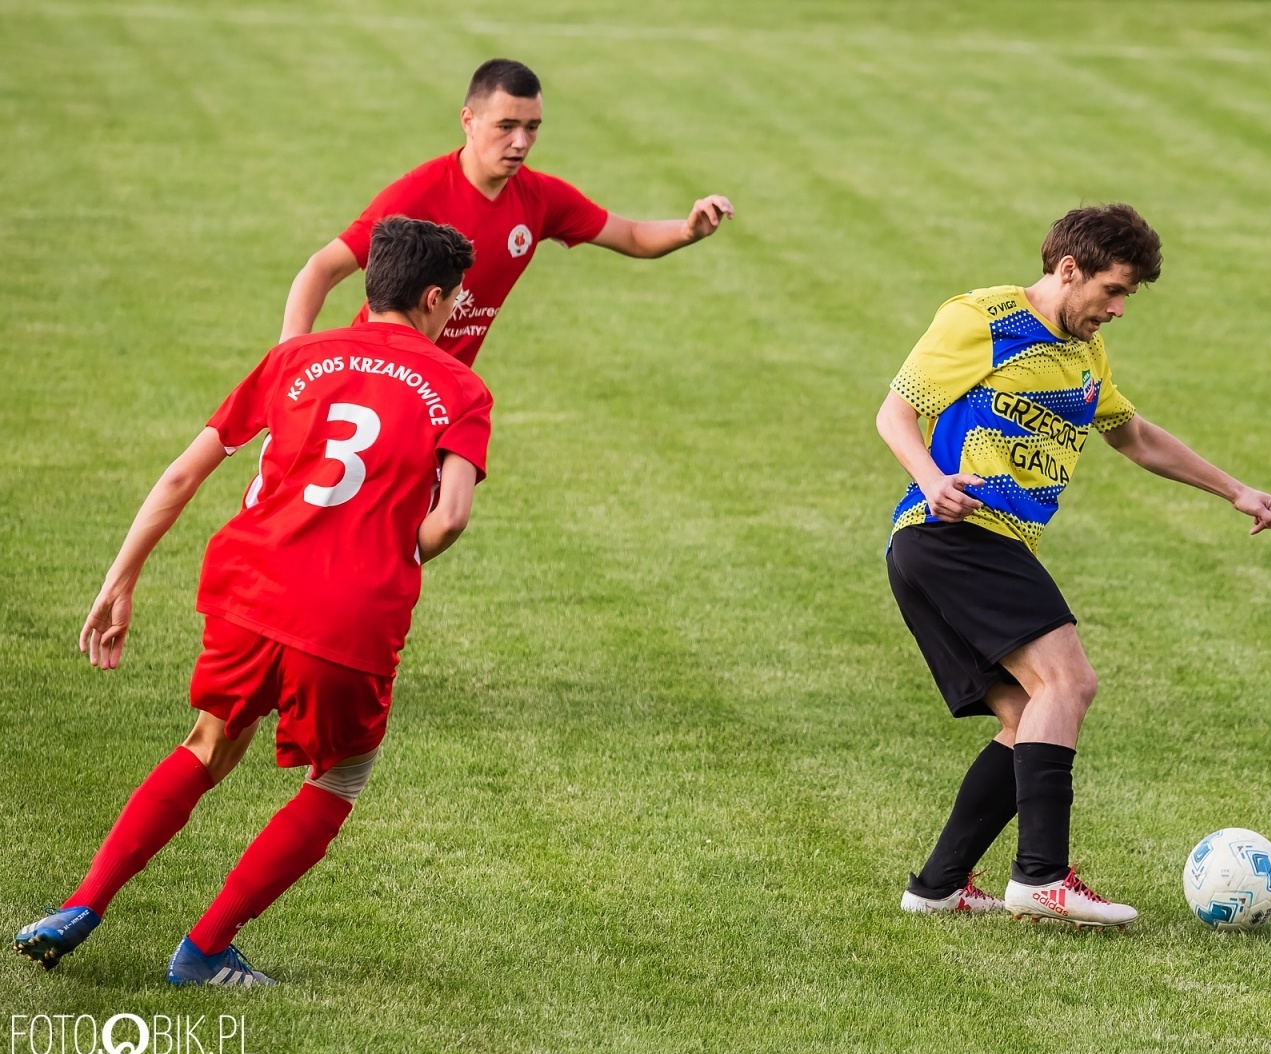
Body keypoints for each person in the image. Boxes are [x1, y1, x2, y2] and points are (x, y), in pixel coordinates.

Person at [14, 217, 492, 986]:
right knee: (340, 777)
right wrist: (390, 557)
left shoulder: (293, 358)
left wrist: (120, 578)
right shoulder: (460, 387)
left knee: (208, 746)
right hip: (348, 617)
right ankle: (204, 949)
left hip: (249, 593)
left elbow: (182, 474)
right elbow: (452, 517)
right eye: (455, 300)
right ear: (432, 298)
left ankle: (81, 904)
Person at [877, 204, 1271, 927]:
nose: (1119, 309)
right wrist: (932, 480)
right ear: (1069, 270)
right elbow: (895, 413)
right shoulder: (983, 318)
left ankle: (937, 885)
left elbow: (1135, 436)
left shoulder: (1085, 356)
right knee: (1069, 682)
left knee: (1027, 717)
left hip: (956, 551)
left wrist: (1235, 490)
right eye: (1114, 289)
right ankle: (1041, 876)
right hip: (956, 534)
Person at [282, 58, 735, 367]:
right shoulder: (417, 195)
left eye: (532, 127)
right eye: (506, 126)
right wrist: (288, 363)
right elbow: (321, 268)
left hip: (443, 391)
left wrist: (687, 229)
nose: (521, 142)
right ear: (468, 120)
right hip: (374, 375)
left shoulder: (541, 198)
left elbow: (632, 235)